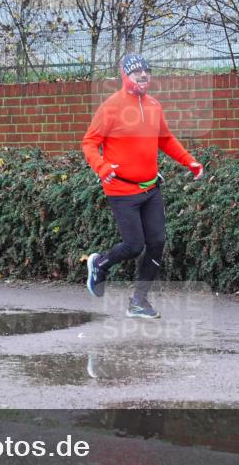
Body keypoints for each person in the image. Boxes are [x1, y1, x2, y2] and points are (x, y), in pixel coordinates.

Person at [82, 54, 204, 319]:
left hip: (150, 189)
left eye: (146, 72)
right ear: (125, 76)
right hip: (121, 190)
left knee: (157, 242)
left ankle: (139, 301)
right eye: (136, 73)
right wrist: (102, 169)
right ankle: (99, 264)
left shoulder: (154, 106)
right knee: (134, 245)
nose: (143, 76)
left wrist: (189, 161)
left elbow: (165, 139)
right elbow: (89, 143)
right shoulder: (111, 107)